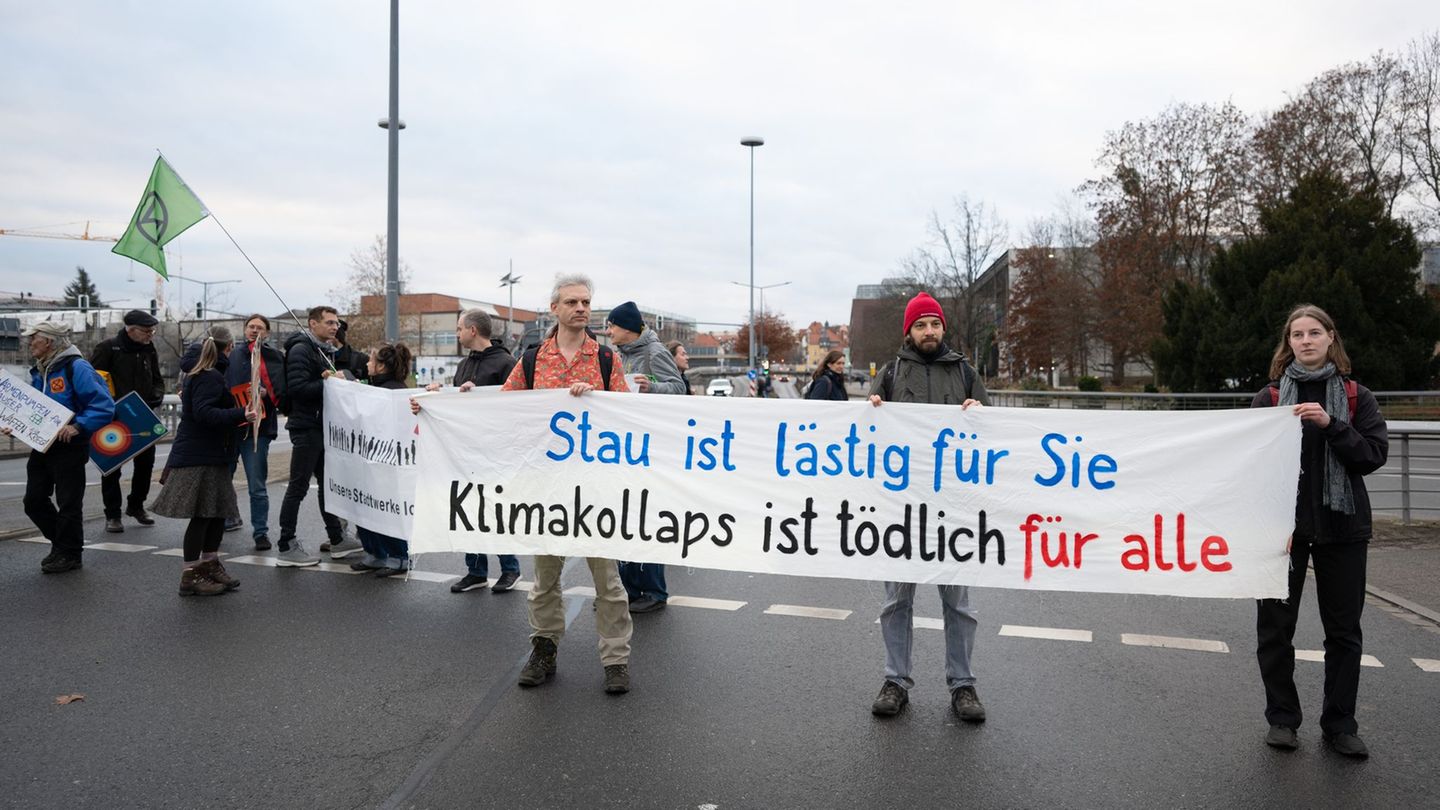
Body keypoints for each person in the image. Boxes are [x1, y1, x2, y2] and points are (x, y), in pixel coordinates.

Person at [1252, 304, 1387, 758]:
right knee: (1275, 630)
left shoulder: (1355, 396)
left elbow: (1371, 456)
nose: (1305, 340)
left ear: (1331, 338)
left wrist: (1332, 426)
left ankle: (1340, 724)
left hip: (1343, 528)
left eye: (1314, 332)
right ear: (1287, 343)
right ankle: (1283, 720)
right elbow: (1249, 466)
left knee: (1344, 632)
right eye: (1297, 334)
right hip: (1282, 533)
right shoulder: (1270, 398)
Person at [500, 274, 634, 694]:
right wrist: (449, 401)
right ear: (554, 308)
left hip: (595, 488)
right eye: (572, 302)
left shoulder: (607, 359)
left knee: (608, 582)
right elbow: (500, 406)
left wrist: (596, 398)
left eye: (586, 302)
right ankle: (544, 649)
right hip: (547, 488)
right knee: (544, 578)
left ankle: (615, 659)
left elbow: (630, 415)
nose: (581, 308)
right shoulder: (533, 359)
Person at [867, 291, 991, 722]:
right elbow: (866, 436)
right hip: (901, 509)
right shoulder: (890, 373)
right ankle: (895, 681)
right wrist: (873, 411)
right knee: (896, 601)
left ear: (943, 328)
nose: (928, 331)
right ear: (909, 331)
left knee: (958, 604)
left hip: (953, 509)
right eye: (920, 325)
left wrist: (981, 412)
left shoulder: (965, 372)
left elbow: (992, 433)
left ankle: (963, 685)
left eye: (934, 324)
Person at [419, 308, 524, 594]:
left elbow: (516, 405)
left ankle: (510, 569)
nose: (457, 333)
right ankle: (475, 570)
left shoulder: (506, 363)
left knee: (496, 510)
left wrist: (477, 394)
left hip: (496, 450)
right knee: (467, 507)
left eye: (458, 328)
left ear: (473, 330)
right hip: (464, 449)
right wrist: (437, 396)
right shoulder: (464, 364)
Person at [151, 327, 258, 596]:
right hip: (201, 455)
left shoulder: (206, 372)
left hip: (211, 453)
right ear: (229, 348)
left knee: (216, 513)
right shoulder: (209, 376)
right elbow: (204, 413)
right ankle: (190, 575)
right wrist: (240, 413)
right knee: (203, 516)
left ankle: (209, 564)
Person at [10, 321, 114, 573]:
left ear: (49, 342)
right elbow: (33, 408)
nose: (29, 342)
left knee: (68, 501)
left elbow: (104, 405)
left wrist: (77, 426)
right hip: (43, 444)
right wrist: (15, 424)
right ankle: (62, 545)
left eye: (34, 338)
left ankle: (69, 554)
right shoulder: (42, 370)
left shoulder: (76, 367)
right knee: (33, 500)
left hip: (70, 444)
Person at [606, 301, 686, 614]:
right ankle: (628, 590)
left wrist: (650, 385)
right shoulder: (618, 355)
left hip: (650, 448)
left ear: (627, 326)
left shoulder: (654, 352)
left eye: (612, 325)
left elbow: (678, 389)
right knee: (624, 521)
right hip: (624, 447)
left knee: (646, 520)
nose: (608, 331)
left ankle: (653, 591)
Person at [276, 305, 360, 566]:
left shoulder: (323, 350)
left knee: (327, 485)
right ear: (313, 324)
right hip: (307, 427)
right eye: (330, 323)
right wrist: (330, 382)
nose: (335, 327)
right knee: (298, 487)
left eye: (337, 323)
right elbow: (298, 389)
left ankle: (337, 539)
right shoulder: (302, 350)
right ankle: (286, 545)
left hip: (321, 426)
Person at [89, 309, 166, 533]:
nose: (150, 335)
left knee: (145, 464)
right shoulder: (107, 348)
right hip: (113, 417)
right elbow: (94, 381)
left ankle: (136, 506)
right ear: (130, 330)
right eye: (146, 331)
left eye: (152, 331)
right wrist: (109, 405)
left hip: (142, 416)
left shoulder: (148, 349)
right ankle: (112, 514)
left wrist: (156, 396)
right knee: (112, 467)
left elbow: (157, 378)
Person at [349, 343, 416, 577]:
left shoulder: (393, 392)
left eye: (371, 360)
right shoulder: (376, 388)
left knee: (386, 510)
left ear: (381, 366)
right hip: (369, 459)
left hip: (387, 462)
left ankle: (399, 556)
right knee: (365, 507)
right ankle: (375, 553)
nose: (367, 364)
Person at [223, 314, 285, 550]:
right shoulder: (231, 355)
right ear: (244, 329)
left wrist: (268, 393)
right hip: (231, 427)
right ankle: (217, 525)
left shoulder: (274, 357)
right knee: (222, 481)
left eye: (260, 328)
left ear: (266, 333)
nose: (254, 330)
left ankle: (260, 532)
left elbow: (282, 390)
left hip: (259, 428)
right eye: (251, 327)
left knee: (257, 486)